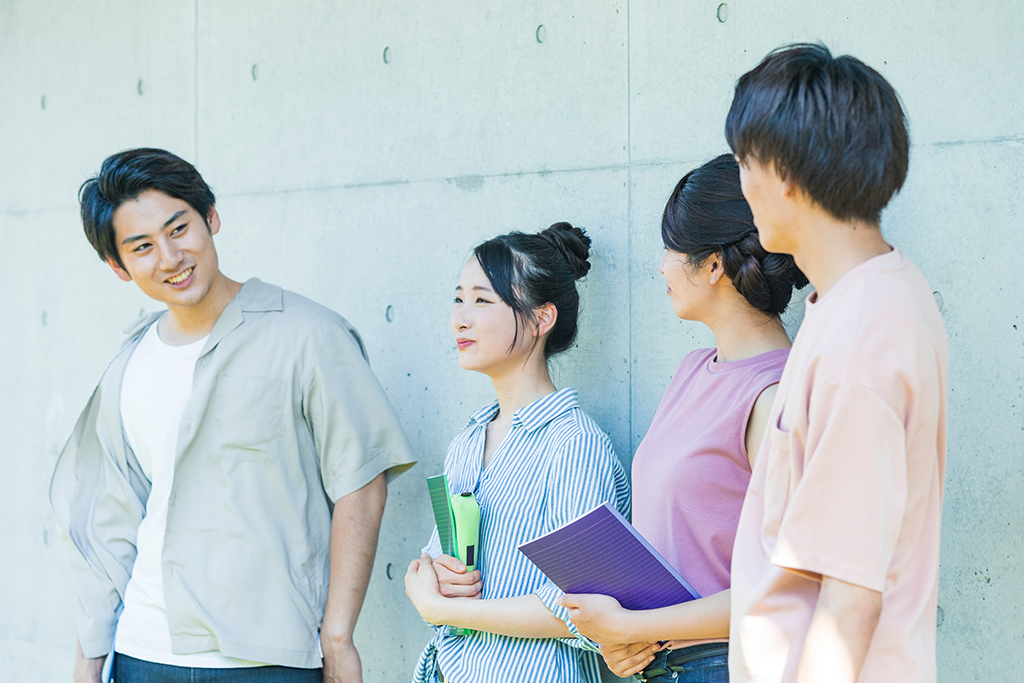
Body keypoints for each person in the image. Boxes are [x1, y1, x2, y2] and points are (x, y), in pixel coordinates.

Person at [50, 148, 416, 683]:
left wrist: (338, 638)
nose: (170, 257)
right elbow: (110, 517)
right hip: (142, 653)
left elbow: (361, 483)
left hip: (267, 657)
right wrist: (89, 656)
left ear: (211, 217)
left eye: (179, 229)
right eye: (142, 246)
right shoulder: (128, 363)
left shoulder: (308, 334)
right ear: (118, 267)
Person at [724, 44, 948, 683]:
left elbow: (849, 603)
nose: (742, 185)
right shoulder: (872, 297)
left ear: (785, 174)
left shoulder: (860, 338)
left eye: (744, 163)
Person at [558, 154, 808, 682]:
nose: (662, 266)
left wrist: (635, 627)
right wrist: (627, 638)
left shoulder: (776, 395)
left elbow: (790, 587)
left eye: (672, 249)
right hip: (663, 665)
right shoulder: (692, 370)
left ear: (713, 265)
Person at [403, 223, 630, 683]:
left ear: (541, 319)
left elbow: (583, 610)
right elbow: (437, 575)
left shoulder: (572, 444)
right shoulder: (468, 442)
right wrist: (428, 580)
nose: (460, 319)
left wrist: (447, 609)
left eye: (482, 301)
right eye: (458, 299)